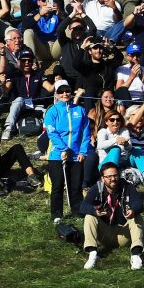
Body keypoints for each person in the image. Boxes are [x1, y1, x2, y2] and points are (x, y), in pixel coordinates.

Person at [79, 162, 144, 270]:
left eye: (115, 175)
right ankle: (92, 254)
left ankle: (136, 255)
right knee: (89, 216)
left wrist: (133, 210)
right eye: (108, 177)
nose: (113, 179)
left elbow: (139, 203)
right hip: (104, 233)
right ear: (102, 178)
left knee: (137, 216)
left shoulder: (127, 187)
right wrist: (95, 212)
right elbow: (83, 206)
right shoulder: (97, 188)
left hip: (123, 234)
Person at [45, 80, 92, 223]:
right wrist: (63, 148)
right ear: (57, 94)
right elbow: (51, 132)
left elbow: (85, 132)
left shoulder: (80, 110)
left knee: (76, 184)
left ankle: (77, 210)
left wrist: (83, 152)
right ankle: (57, 214)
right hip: (57, 155)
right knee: (58, 184)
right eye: (61, 91)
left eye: (67, 91)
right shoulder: (52, 111)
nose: (65, 94)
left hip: (76, 154)